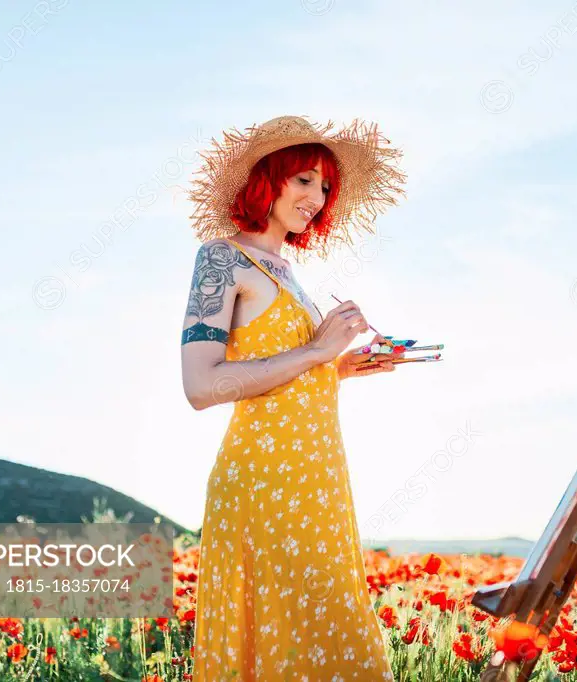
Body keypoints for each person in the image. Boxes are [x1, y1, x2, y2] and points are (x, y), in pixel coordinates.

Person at [180, 115, 406, 681]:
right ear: (268, 179)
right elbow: (202, 386)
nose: (316, 197)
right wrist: (315, 352)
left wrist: (342, 365)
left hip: (319, 480)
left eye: (325, 186)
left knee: (330, 637)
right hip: (265, 481)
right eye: (304, 179)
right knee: (287, 640)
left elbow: (287, 373)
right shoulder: (222, 258)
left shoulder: (291, 272)